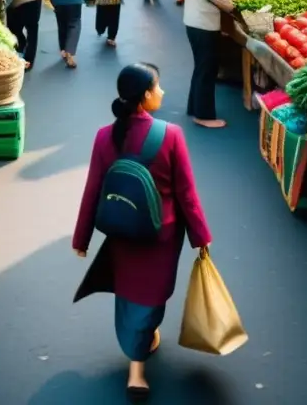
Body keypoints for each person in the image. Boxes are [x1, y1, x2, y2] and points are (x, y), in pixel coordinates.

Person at [73, 63, 212, 401]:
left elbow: (93, 189)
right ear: (146, 95)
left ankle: (141, 338)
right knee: (152, 295)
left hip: (121, 231)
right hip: (160, 236)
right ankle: (137, 369)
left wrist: (82, 238)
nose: (162, 92)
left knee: (129, 289)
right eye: (158, 86)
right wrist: (200, 237)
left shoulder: (105, 136)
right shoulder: (171, 135)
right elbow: (187, 195)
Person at [183, 0, 235, 128]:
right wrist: (233, 5)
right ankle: (203, 115)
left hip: (193, 22)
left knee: (200, 67)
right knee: (207, 69)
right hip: (203, 24)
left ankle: (194, 107)